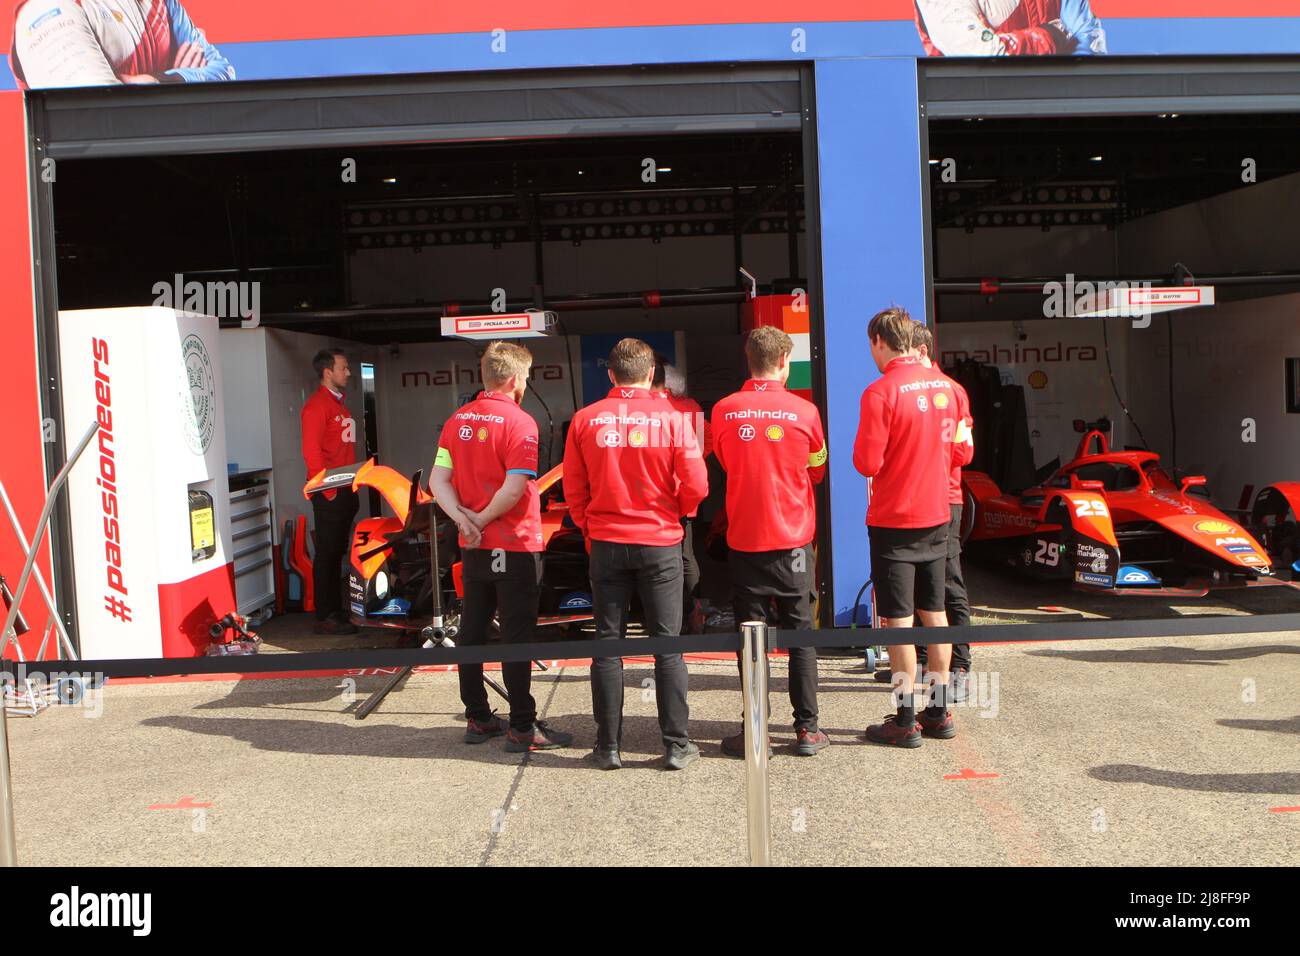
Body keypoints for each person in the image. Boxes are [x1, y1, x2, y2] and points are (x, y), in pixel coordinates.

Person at [563, 338, 709, 771]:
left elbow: (573, 487)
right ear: (650, 374)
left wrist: (589, 524)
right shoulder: (671, 418)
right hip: (660, 541)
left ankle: (608, 748)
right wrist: (677, 514)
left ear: (611, 375)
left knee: (607, 646)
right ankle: (677, 747)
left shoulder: (585, 419)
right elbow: (697, 485)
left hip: (606, 543)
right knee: (668, 648)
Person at [430, 342, 572, 753]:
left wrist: (464, 520)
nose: (526, 383)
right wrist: (483, 519)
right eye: (526, 377)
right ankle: (523, 727)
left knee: (472, 631)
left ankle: (477, 717)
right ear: (514, 379)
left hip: (472, 543)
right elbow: (514, 489)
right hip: (514, 542)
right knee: (517, 634)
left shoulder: (455, 421)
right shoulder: (521, 422)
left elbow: (438, 481)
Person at [853, 308, 970, 748]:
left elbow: (866, 462)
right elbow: (962, 454)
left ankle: (904, 719)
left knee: (897, 621)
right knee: (935, 613)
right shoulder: (953, 389)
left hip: (894, 519)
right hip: (939, 514)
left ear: (881, 342)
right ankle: (938, 711)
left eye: (871, 345)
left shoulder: (879, 392)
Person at [712, 326, 830, 757]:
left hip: (745, 540)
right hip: (795, 542)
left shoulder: (724, 410)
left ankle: (755, 729)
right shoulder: (805, 412)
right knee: (800, 635)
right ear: (785, 361)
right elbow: (817, 466)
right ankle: (806, 730)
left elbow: (725, 461)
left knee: (752, 639)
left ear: (750, 360)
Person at [913, 325, 975, 701]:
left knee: (948, 581)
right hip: (915, 501)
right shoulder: (904, 388)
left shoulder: (951, 390)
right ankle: (920, 659)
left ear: (922, 349)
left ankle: (962, 666)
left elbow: (965, 451)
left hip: (945, 496)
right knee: (917, 585)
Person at [12, 0, 236, 89]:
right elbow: (94, 117)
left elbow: (224, 73)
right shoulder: (45, 10)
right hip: (95, 180)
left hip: (177, 169)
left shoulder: (162, 3)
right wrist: (185, 86)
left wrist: (160, 80)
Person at [301, 349, 359, 636]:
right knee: (328, 553)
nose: (348, 372)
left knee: (338, 551)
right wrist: (328, 492)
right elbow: (311, 454)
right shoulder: (316, 406)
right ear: (328, 372)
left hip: (346, 487)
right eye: (343, 367)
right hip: (331, 491)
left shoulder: (338, 404)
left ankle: (336, 609)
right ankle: (326, 615)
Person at [651, 355, 711, 634]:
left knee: (666, 558)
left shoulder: (639, 410)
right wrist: (691, 465)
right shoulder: (689, 407)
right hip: (686, 494)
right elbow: (706, 443)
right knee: (685, 556)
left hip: (651, 499)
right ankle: (694, 611)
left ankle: (671, 615)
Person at [913, 0, 1107, 57]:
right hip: (979, 127)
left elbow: (1090, 49)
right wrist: (1052, 35)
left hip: (1056, 118)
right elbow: (983, 54)